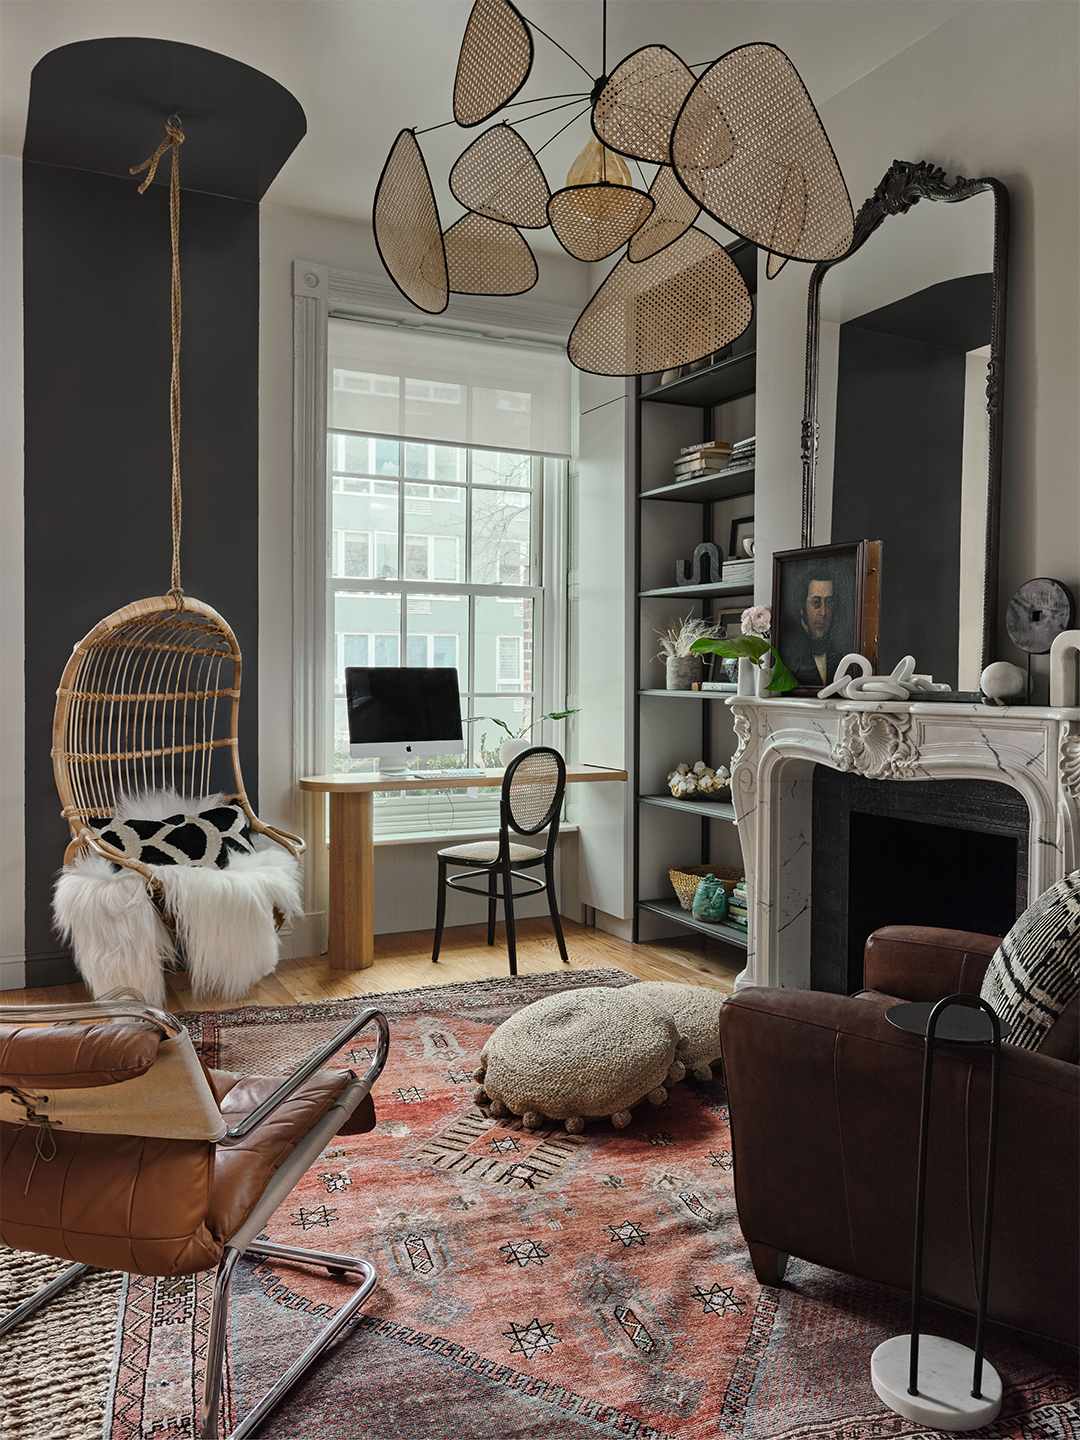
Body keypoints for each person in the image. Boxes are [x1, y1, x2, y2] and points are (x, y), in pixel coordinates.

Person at [788, 575, 845, 686]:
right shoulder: (791, 657)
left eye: (829, 603)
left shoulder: (841, 660)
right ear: (802, 609)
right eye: (816, 603)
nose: (823, 612)